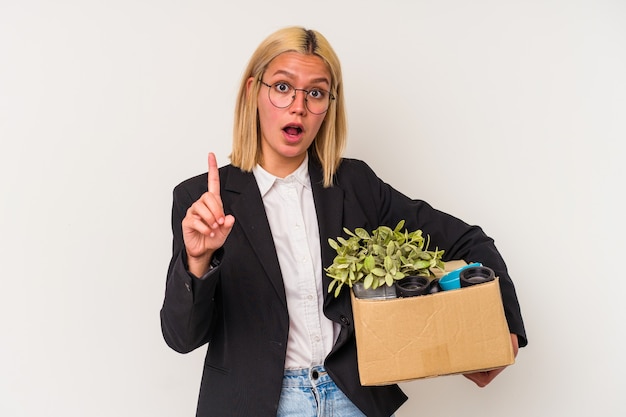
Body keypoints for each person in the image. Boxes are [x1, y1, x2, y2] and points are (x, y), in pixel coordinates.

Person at [160, 26, 527, 417]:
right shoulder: (201, 200)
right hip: (256, 405)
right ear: (253, 92)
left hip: (349, 399)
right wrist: (197, 263)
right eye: (283, 87)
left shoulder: (354, 185)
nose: (298, 106)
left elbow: (466, 240)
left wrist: (501, 328)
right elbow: (182, 338)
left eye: (315, 92)